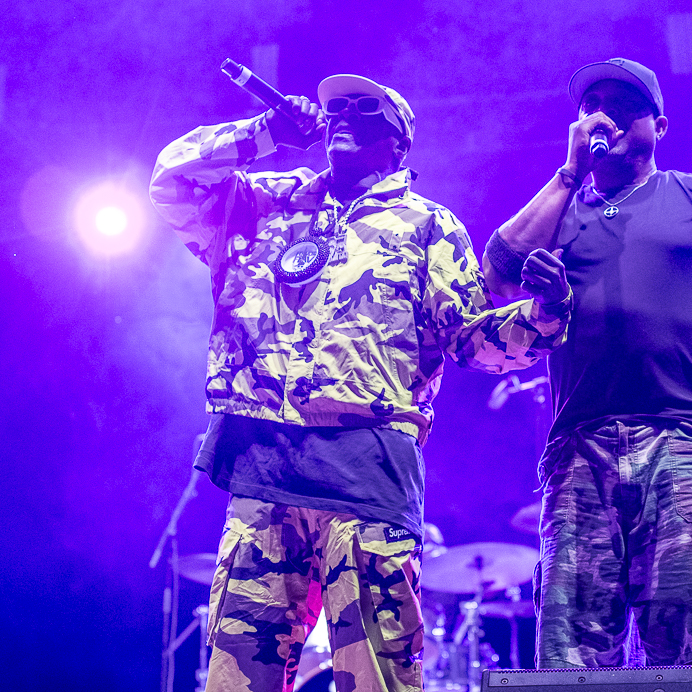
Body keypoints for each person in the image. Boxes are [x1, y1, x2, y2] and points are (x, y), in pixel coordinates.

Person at [149, 74, 571, 692]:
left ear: (398, 143)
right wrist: (264, 133)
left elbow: (471, 340)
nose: (342, 114)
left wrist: (543, 315)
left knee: (377, 680)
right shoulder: (268, 203)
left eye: (364, 108)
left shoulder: (428, 226)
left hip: (366, 476)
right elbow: (171, 182)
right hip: (263, 473)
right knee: (238, 681)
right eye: (335, 106)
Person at [482, 57, 692, 668]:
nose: (605, 117)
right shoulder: (560, 210)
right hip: (580, 450)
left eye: (624, 106)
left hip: (690, 440)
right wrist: (568, 174)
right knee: (571, 658)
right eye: (592, 106)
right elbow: (497, 276)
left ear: (659, 127)